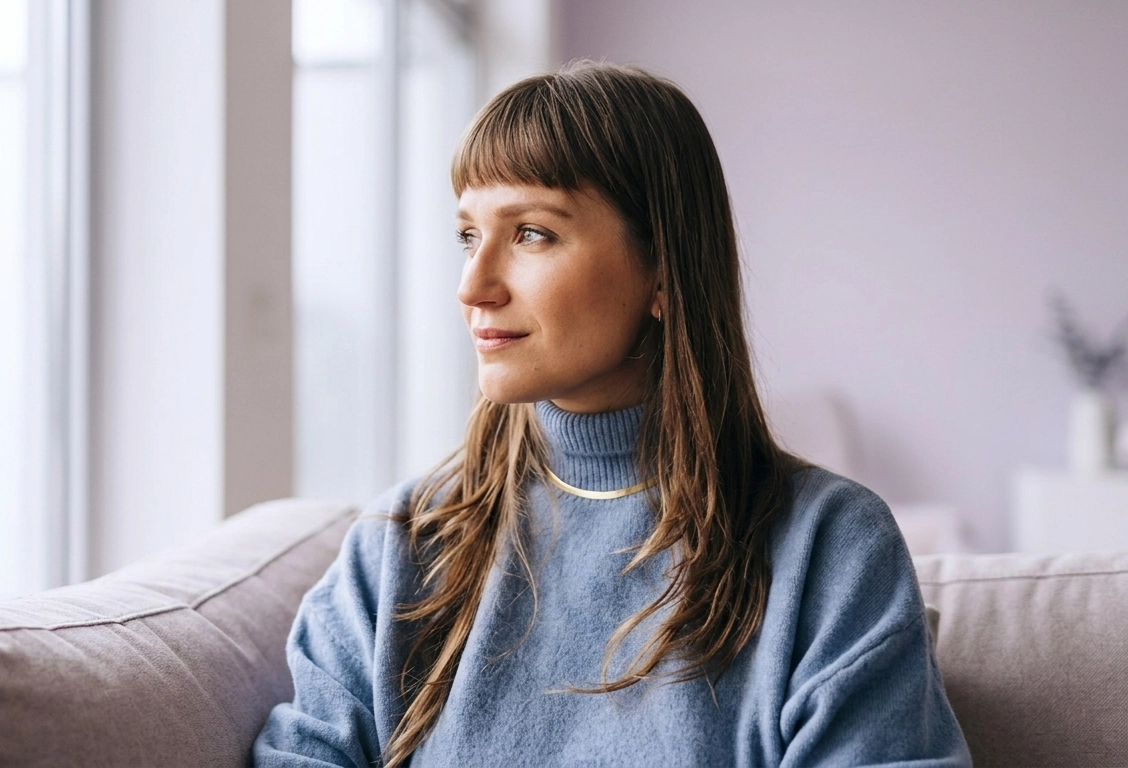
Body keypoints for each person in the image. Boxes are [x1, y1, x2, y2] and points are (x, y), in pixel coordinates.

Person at [254, 61, 970, 767]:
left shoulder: (830, 548)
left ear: (662, 268)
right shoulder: (404, 545)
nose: (473, 286)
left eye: (532, 233)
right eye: (468, 236)